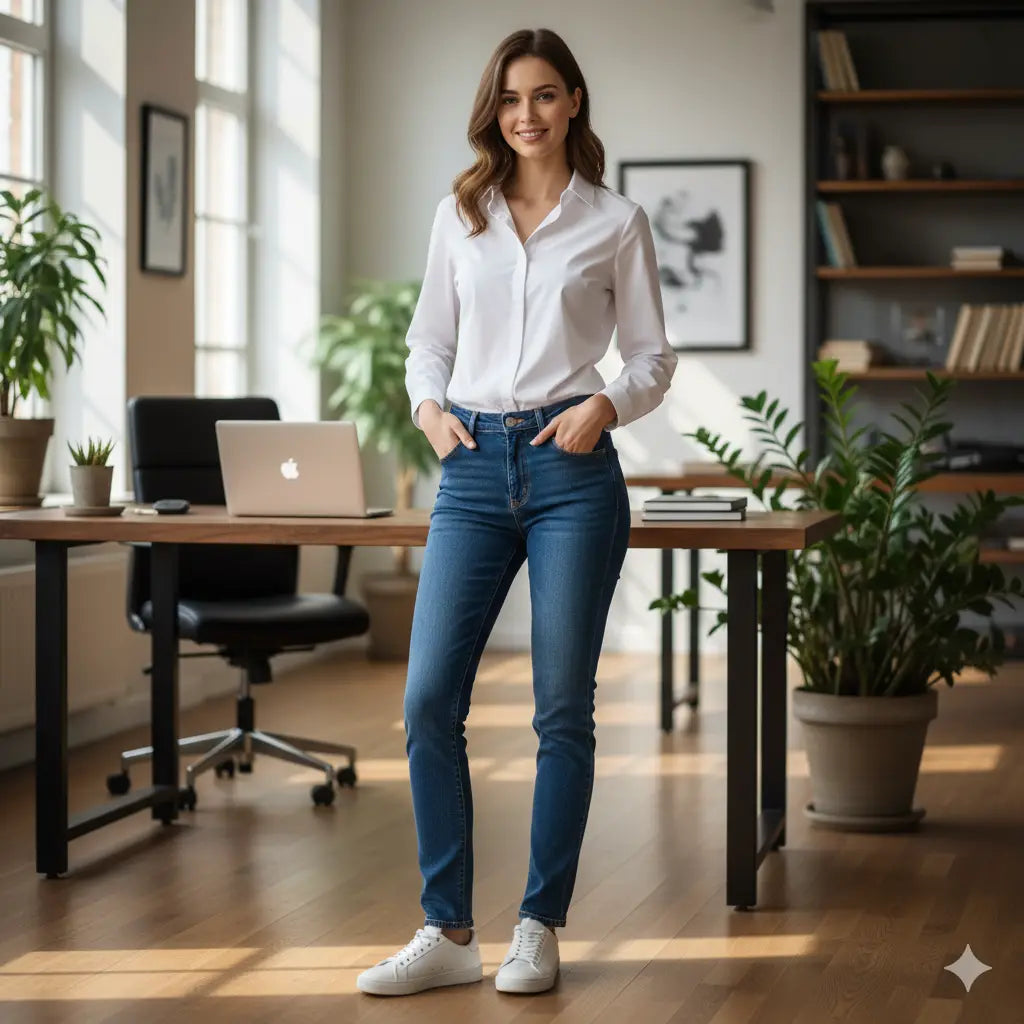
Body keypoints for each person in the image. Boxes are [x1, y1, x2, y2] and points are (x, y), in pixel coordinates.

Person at [357, 27, 677, 998]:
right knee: (425, 702)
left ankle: (538, 923)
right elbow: (427, 341)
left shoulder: (614, 221)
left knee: (559, 709)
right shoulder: (462, 213)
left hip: (572, 470)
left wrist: (603, 405)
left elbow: (653, 357)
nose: (525, 114)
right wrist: (426, 408)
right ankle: (447, 929)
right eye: (509, 99)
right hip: (472, 468)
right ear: (493, 110)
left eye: (542, 95)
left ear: (573, 101)